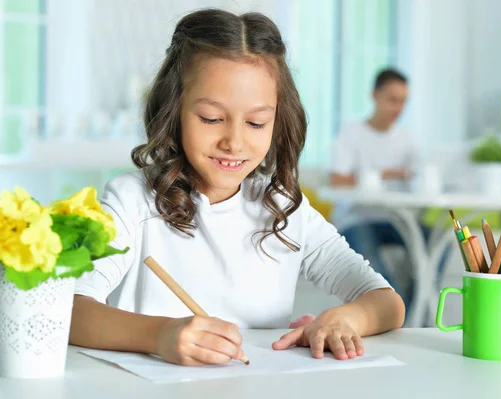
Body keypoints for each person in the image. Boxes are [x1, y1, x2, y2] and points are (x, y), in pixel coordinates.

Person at [69, 9, 405, 367]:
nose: (234, 142)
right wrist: (159, 334)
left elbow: (387, 302)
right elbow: (71, 309)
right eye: (212, 119)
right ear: (174, 110)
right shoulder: (132, 201)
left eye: (256, 123)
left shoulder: (284, 207)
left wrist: (345, 319)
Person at [329, 69, 419, 309]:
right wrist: (387, 174)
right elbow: (337, 179)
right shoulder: (352, 133)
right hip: (357, 219)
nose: (398, 108)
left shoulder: (407, 139)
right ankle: (402, 311)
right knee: (369, 258)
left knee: (438, 240)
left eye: (403, 102)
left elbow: (415, 178)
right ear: (374, 96)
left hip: (397, 219)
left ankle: (418, 304)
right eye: (392, 100)